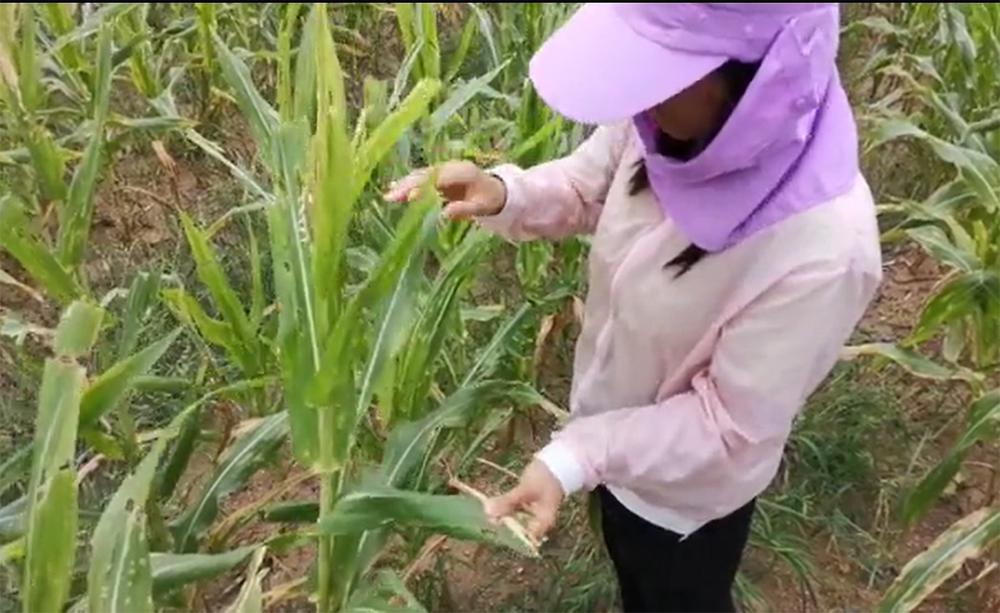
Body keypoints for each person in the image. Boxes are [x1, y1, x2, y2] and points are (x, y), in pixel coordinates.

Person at [386, 3, 882, 611]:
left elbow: (727, 429)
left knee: (675, 591)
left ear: (757, 78)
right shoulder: (663, 119)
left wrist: (577, 455)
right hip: (614, 453)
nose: (637, 97)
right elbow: (583, 185)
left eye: (659, 71)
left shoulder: (826, 249)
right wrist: (503, 193)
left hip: (687, 507)